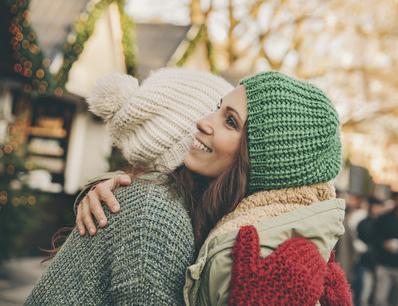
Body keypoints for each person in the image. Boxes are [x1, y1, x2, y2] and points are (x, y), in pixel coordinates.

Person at [76, 71, 351, 305]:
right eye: (218, 108)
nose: (202, 120)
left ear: (266, 159)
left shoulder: (256, 255)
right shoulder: (220, 221)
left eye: (230, 121)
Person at [25, 67, 234, 305]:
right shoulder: (155, 214)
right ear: (193, 141)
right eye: (228, 121)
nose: (208, 123)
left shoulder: (159, 205)